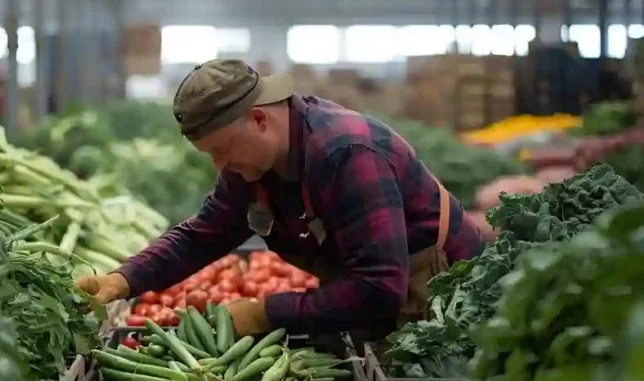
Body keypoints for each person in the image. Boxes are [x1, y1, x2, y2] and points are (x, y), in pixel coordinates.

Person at [78, 59, 484, 339]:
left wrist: (264, 313)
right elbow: (203, 234)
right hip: (382, 304)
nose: (220, 165)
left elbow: (379, 287)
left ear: (258, 119)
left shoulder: (344, 154)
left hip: (445, 301)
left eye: (223, 149)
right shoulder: (252, 165)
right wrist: (122, 280)